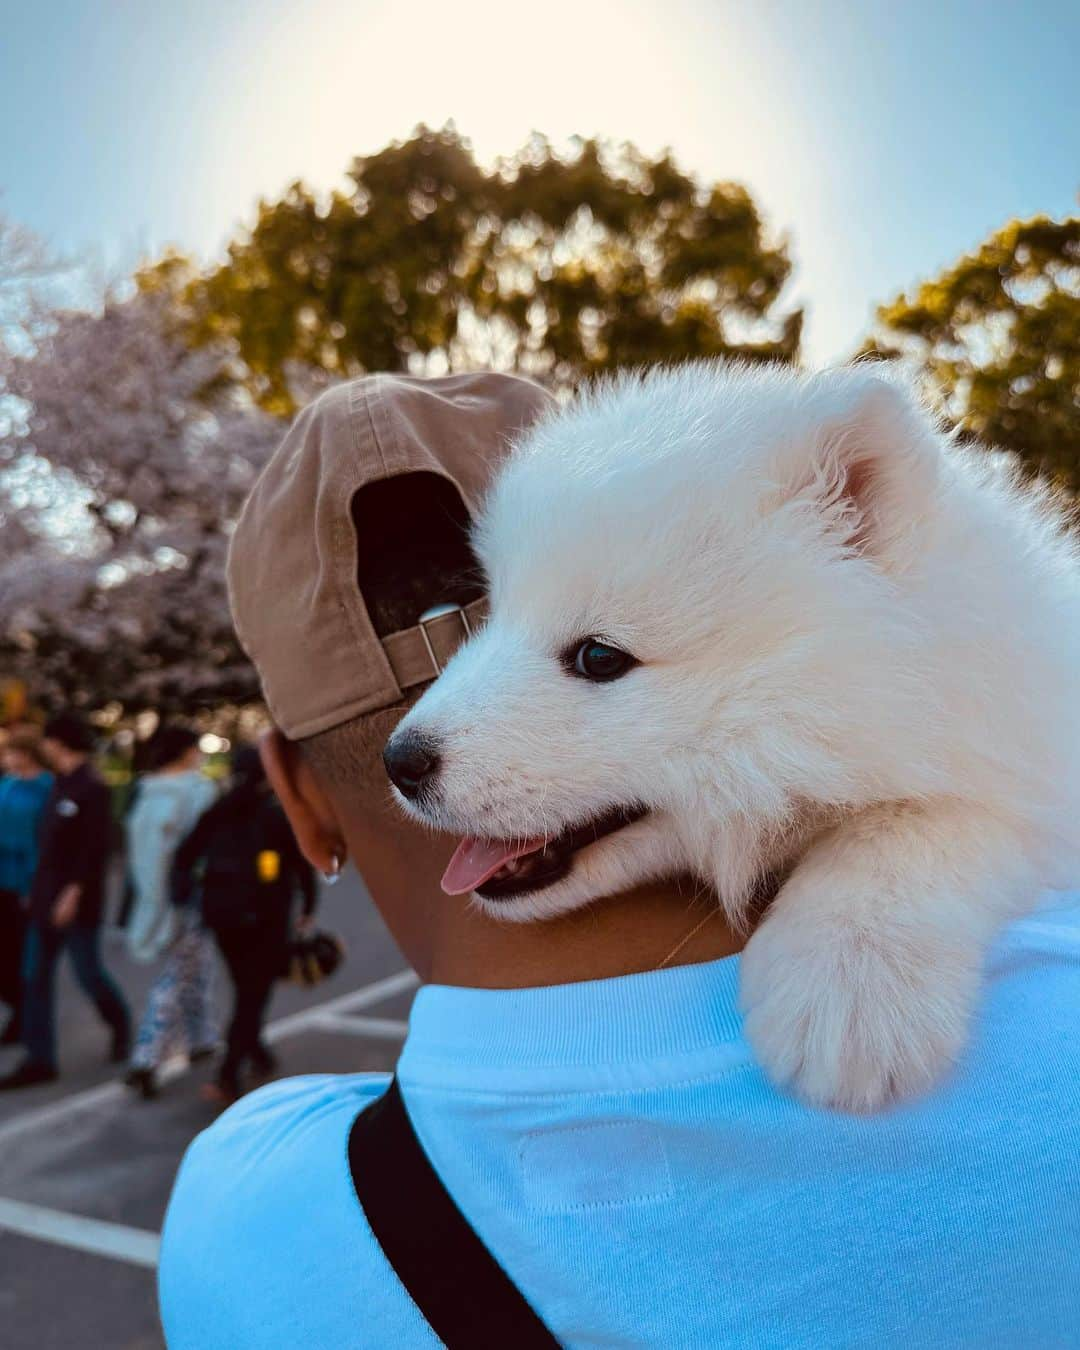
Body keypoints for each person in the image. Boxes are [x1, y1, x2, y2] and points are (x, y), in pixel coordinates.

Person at [159, 374, 1080, 1347]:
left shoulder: (251, 1217)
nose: (433, 736)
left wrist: (901, 871)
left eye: (598, 659)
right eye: (498, 608)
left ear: (297, 801)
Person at [171, 745, 316, 1105]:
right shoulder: (275, 814)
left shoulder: (218, 810)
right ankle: (228, 1075)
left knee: (245, 986)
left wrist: (186, 895)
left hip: (222, 917)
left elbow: (184, 855)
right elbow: (302, 867)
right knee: (253, 994)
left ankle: (258, 1054)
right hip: (266, 919)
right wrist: (309, 908)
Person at [0, 713, 131, 1090]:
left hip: (75, 901)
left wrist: (71, 893)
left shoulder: (92, 787)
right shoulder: (58, 783)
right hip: (44, 896)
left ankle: (119, 1023)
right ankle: (39, 1059)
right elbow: (45, 844)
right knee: (34, 976)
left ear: (60, 742)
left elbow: (93, 851)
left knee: (88, 974)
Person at [124, 725, 219, 1099]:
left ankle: (201, 1038)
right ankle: (145, 1058)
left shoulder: (144, 791)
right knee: (178, 974)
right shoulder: (198, 790)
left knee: (195, 967)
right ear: (185, 752)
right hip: (191, 895)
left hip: (154, 893)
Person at [0, 729, 53, 1046]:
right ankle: (20, 1012)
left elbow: (45, 840)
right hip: (1, 878)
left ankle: (23, 1018)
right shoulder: (8, 783)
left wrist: (33, 885)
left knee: (19, 956)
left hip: (24, 881)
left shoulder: (46, 788)